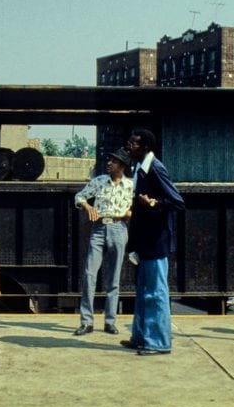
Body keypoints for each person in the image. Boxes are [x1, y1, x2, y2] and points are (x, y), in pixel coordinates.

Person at [121, 128, 185, 356]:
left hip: (156, 241)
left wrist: (154, 204)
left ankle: (158, 342)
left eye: (134, 143)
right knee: (142, 291)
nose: (129, 146)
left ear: (145, 147)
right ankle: (140, 337)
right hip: (143, 241)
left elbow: (177, 202)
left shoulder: (156, 168)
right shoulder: (140, 168)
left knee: (156, 292)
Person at [72, 147, 134, 336]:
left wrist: (129, 213)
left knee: (114, 277)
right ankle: (87, 321)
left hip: (118, 227)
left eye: (113, 161)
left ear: (122, 166)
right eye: (109, 160)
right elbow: (79, 196)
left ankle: (110, 321)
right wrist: (87, 206)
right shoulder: (99, 182)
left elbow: (138, 206)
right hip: (99, 228)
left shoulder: (131, 185)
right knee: (90, 275)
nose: (109, 163)